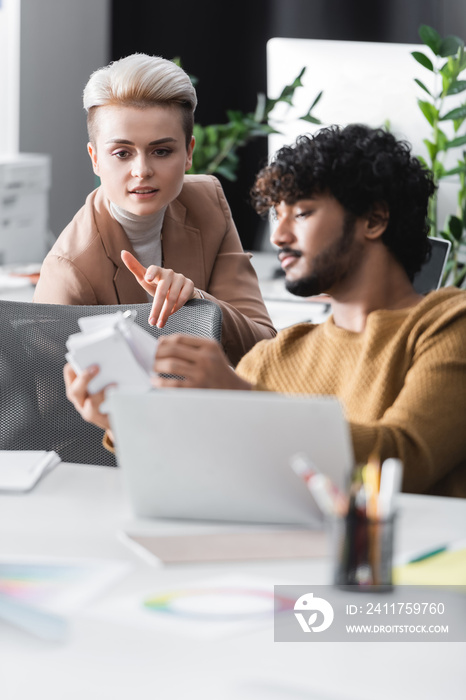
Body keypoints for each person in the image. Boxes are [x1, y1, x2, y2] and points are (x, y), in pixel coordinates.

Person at [64, 124, 466, 498]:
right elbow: (201, 474)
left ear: (374, 219)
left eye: (303, 212)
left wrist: (241, 397)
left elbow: (404, 460)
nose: (278, 235)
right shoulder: (276, 357)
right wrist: (123, 418)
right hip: (285, 561)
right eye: (277, 214)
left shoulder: (447, 324)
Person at [33, 53, 275, 366]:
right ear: (95, 158)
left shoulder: (207, 202)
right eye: (122, 153)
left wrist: (199, 304)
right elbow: (54, 406)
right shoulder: (70, 270)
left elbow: (265, 350)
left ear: (188, 153)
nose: (142, 170)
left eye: (161, 151)